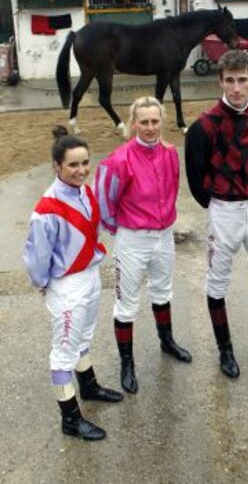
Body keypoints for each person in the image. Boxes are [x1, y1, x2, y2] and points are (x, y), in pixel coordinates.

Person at [185, 50, 248, 379]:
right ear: (220, 81)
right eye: (229, 81)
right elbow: (194, 175)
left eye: (242, 80)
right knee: (217, 284)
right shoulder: (204, 125)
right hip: (224, 212)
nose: (236, 88)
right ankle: (225, 350)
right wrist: (220, 202)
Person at [23, 126, 123, 442]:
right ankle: (70, 418)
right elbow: (36, 254)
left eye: (84, 163)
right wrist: (42, 283)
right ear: (57, 166)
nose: (81, 170)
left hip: (90, 276)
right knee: (63, 350)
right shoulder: (46, 210)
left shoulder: (85, 191)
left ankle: (89, 386)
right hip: (66, 284)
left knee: (83, 336)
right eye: (73, 165)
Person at [94, 96, 192, 395]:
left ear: (162, 121)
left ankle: (167, 341)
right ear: (134, 122)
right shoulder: (119, 159)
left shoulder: (171, 153)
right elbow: (104, 200)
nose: (150, 127)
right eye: (144, 122)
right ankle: (127, 363)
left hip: (163, 235)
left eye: (155, 121)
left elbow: (173, 188)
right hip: (133, 238)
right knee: (127, 303)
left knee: (163, 290)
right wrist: (120, 228)